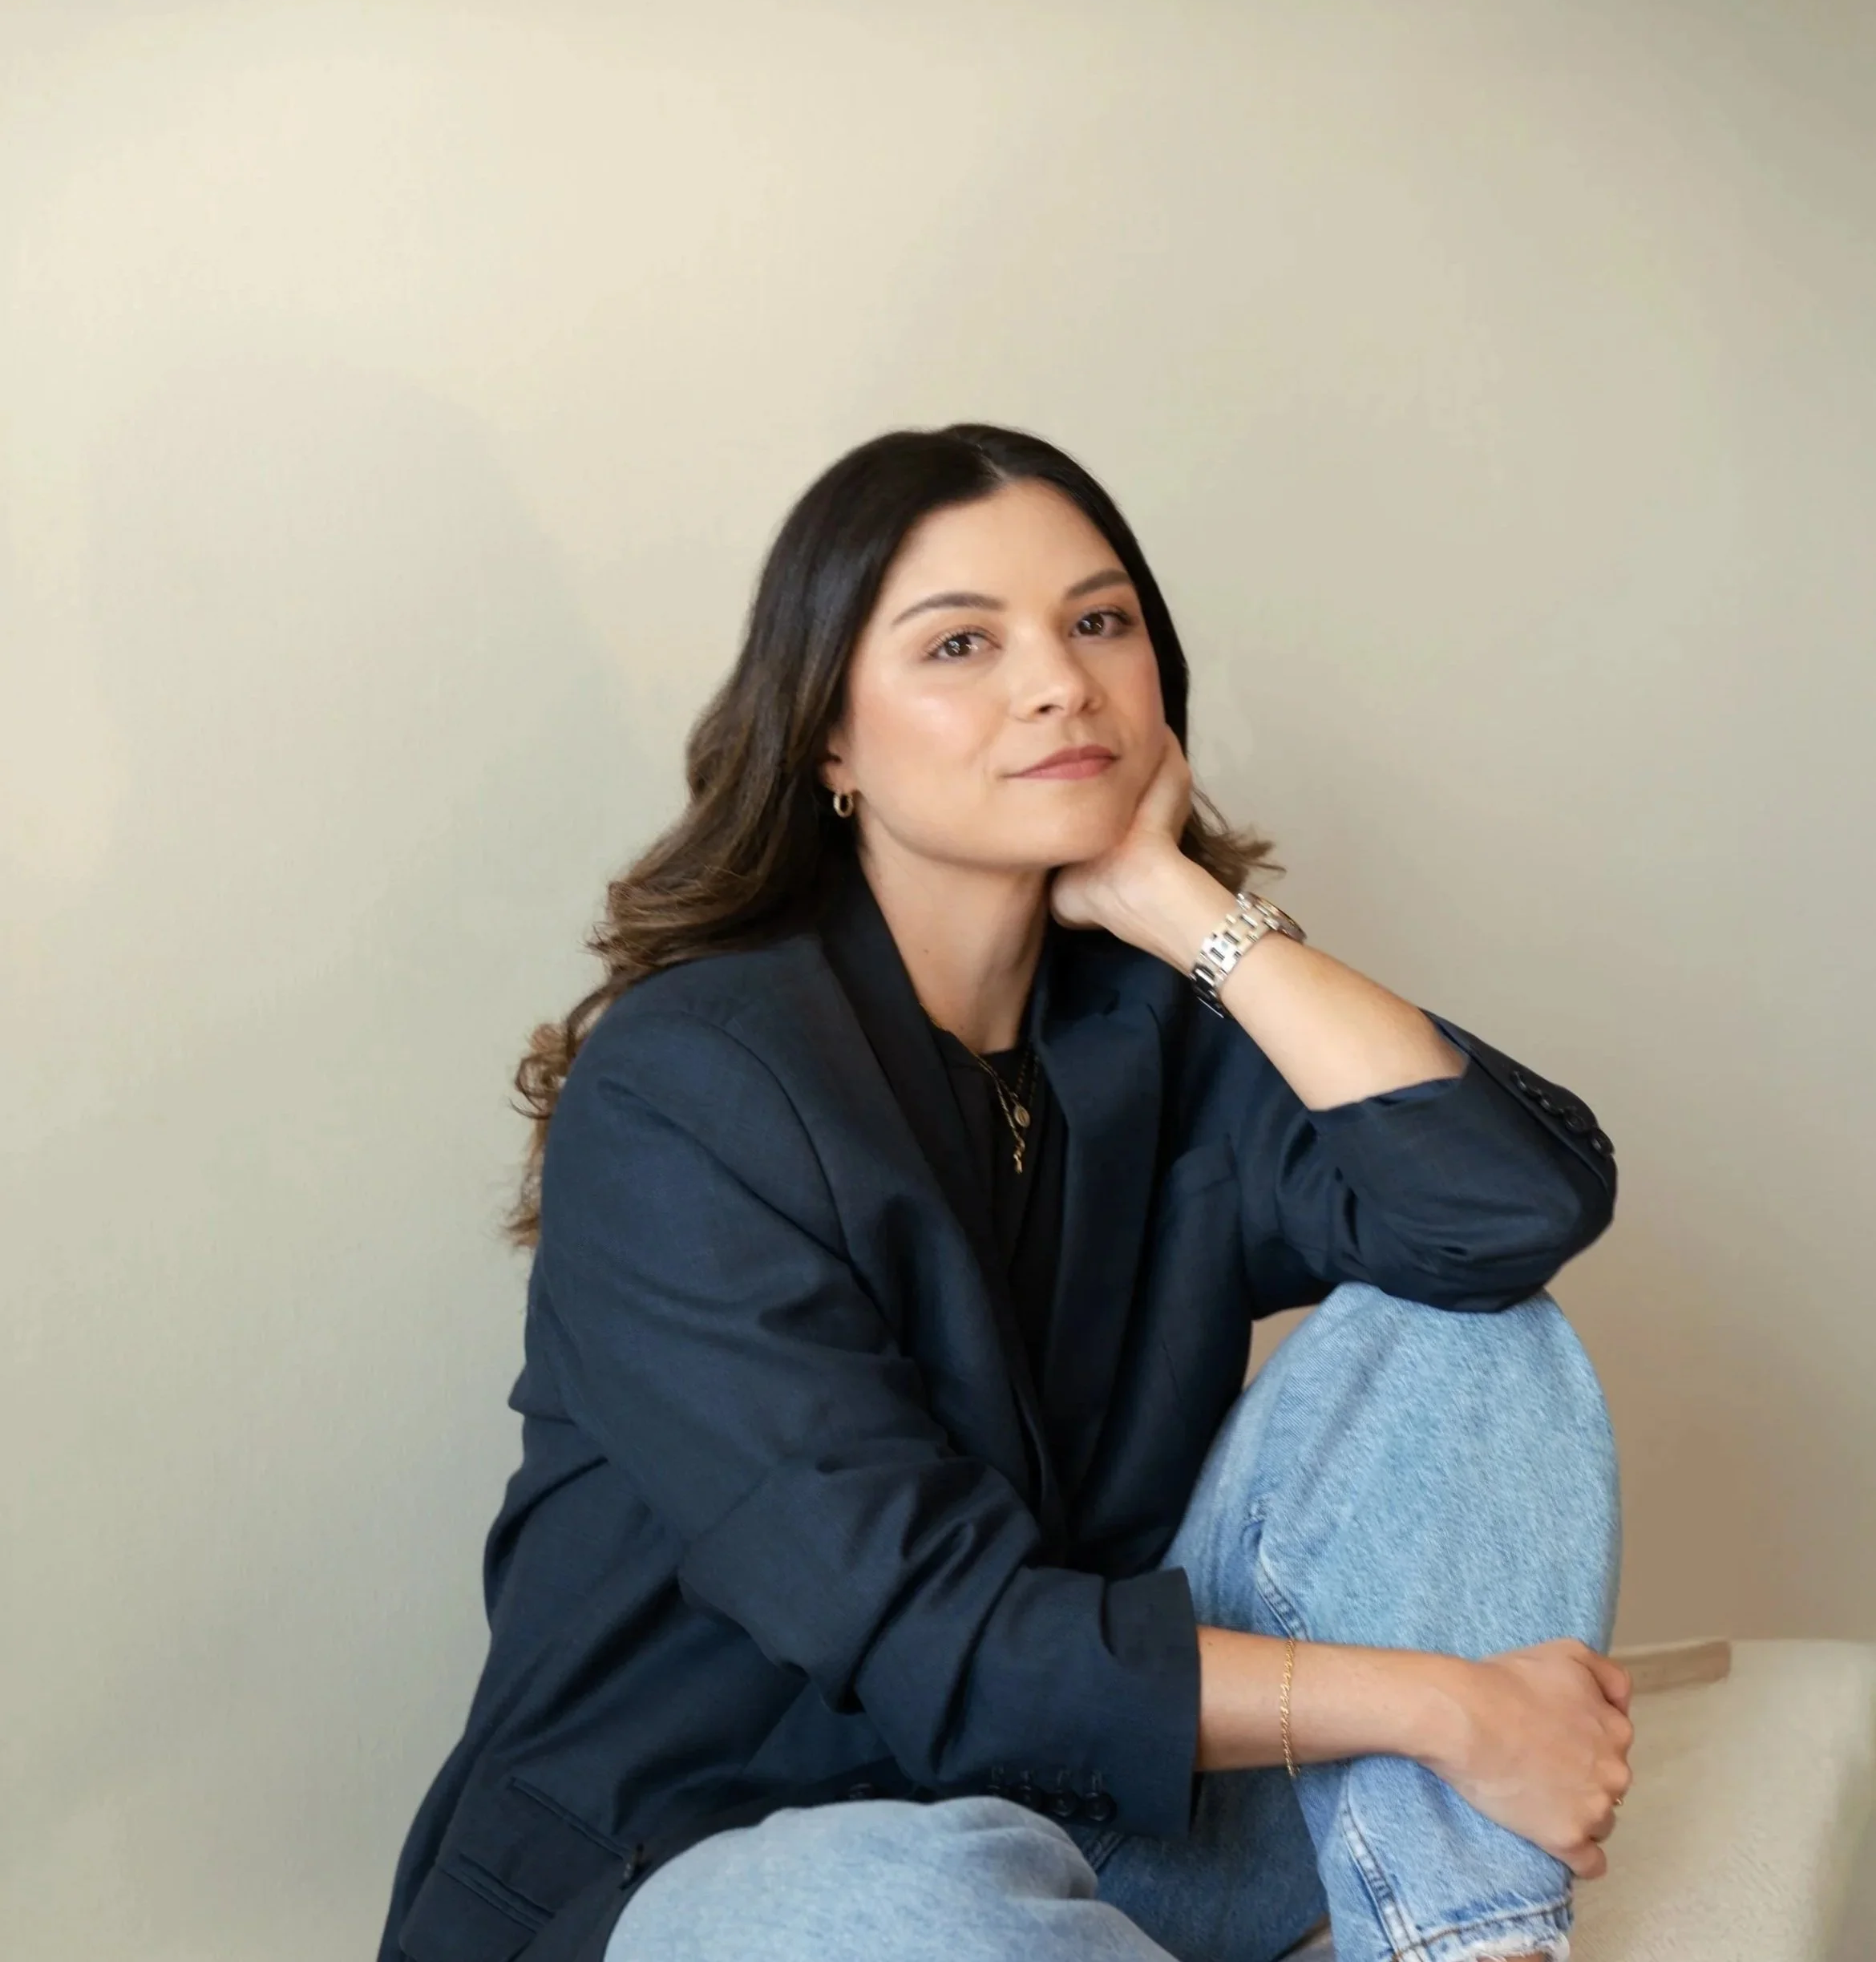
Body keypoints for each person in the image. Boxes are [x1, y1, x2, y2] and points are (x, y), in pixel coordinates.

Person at [377, 424, 1631, 1962]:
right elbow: (934, 1639)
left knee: (1479, 1340)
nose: (1058, 684)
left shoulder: (1145, 1026)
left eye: (1098, 623)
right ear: (830, 743)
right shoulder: (688, 1088)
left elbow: (1505, 1214)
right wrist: (1444, 1708)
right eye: (961, 643)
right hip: (738, 1887)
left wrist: (1185, 909)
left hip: (1096, 1829)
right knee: (887, 1902)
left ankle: (1472, 1950)